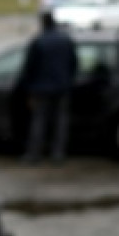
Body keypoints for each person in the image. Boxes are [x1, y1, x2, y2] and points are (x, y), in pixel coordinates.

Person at [15, 10, 79, 163]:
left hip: (40, 89)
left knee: (39, 121)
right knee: (60, 122)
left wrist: (26, 89)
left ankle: (34, 154)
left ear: (43, 23)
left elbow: (29, 68)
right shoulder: (65, 40)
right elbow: (74, 63)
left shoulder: (38, 41)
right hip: (62, 88)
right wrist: (68, 81)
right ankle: (58, 154)